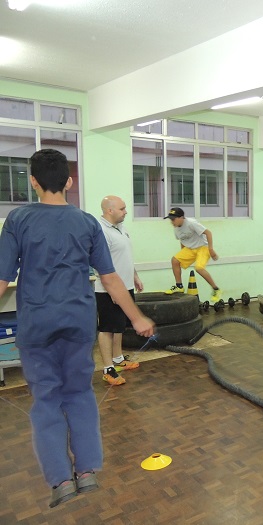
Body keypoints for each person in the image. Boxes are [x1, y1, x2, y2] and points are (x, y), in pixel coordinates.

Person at [0, 149, 155, 509]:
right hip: (78, 323)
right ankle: (86, 473)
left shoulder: (18, 219)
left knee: (47, 401)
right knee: (80, 395)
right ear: (69, 182)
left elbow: (2, 279)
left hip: (37, 326)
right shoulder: (87, 222)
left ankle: (60, 482)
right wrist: (136, 318)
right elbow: (111, 279)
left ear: (33, 181)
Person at [95, 195, 143, 386]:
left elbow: (125, 256)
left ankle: (118, 359)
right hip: (108, 290)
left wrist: (135, 276)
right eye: (122, 209)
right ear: (110, 210)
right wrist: (113, 290)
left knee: (119, 326)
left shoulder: (121, 228)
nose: (126, 212)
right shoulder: (101, 231)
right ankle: (108, 369)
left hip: (125, 286)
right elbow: (100, 264)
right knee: (107, 328)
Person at [163, 207, 222, 303]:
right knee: (175, 260)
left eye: (173, 219)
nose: (172, 222)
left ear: (181, 217)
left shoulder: (191, 223)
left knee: (199, 268)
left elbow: (208, 233)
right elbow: (183, 241)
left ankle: (216, 289)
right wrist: (182, 254)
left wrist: (211, 249)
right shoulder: (176, 229)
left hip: (203, 247)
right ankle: (179, 286)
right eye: (170, 220)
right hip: (190, 249)